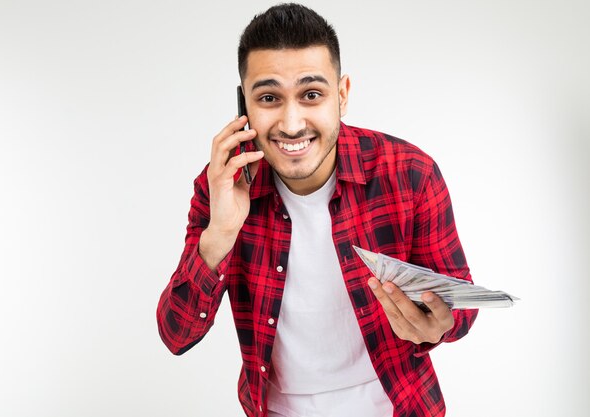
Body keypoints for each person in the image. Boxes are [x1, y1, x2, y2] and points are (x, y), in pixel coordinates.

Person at [157, 3, 478, 417]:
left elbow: (462, 306)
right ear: (244, 106)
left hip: (399, 407)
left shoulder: (410, 173)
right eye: (269, 98)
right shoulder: (222, 184)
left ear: (341, 95)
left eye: (311, 95)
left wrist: (440, 326)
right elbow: (176, 335)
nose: (291, 124)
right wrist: (220, 232)